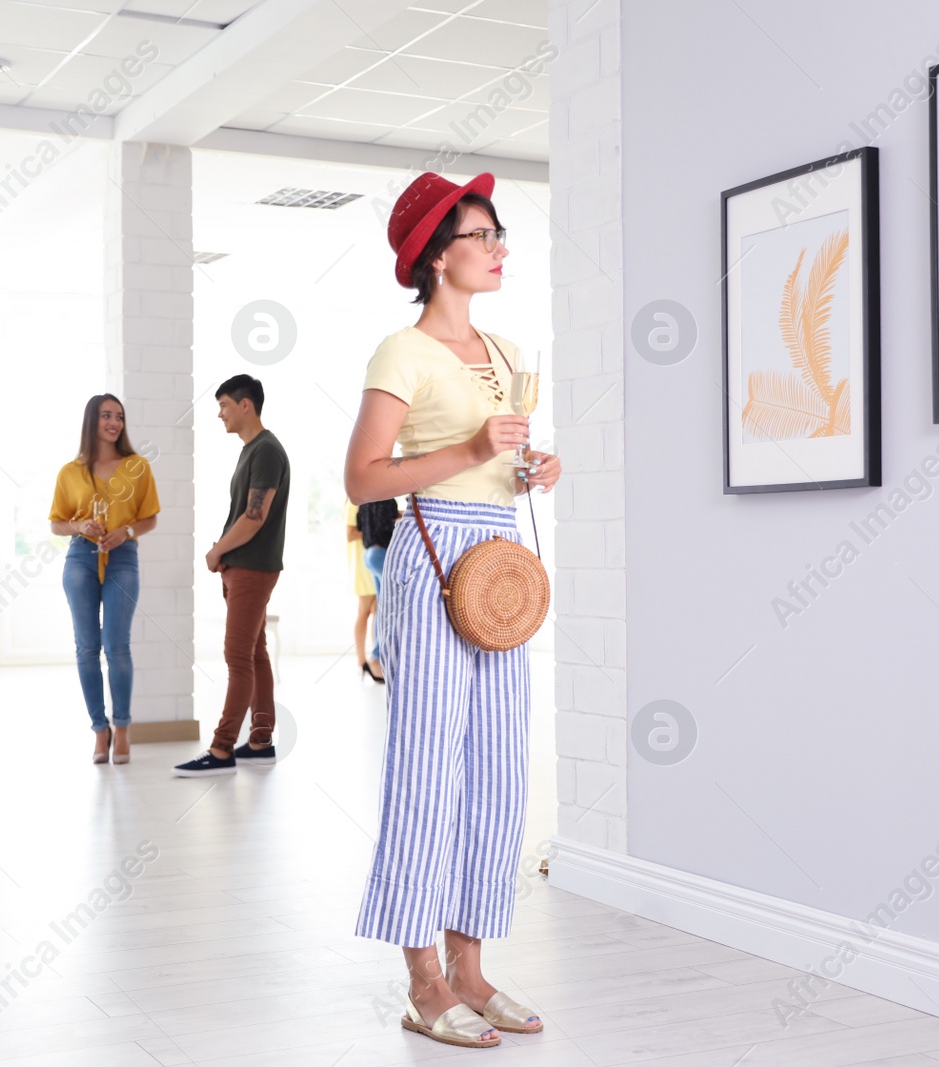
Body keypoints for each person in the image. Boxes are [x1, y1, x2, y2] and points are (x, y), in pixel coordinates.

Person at [345, 172, 561, 1050]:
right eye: (482, 234)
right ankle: (424, 978)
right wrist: (472, 447)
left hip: (499, 566)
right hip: (430, 556)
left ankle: (472, 967)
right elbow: (362, 479)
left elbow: (495, 462)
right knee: (427, 769)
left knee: (500, 771)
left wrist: (529, 467)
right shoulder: (401, 352)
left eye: (500, 233)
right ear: (437, 255)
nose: (499, 246)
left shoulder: (506, 353)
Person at [173, 375, 290, 778]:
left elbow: (254, 517)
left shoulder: (266, 452)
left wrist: (218, 549)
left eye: (223, 405)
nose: (219, 414)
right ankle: (260, 742)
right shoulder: (253, 451)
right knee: (255, 654)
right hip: (244, 567)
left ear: (245, 405)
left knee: (237, 657)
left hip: (252, 568)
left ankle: (221, 750)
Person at [49, 394, 160, 765]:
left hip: (122, 558)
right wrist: (79, 525)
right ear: (91, 421)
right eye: (106, 416)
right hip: (81, 556)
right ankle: (100, 730)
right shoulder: (70, 471)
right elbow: (56, 523)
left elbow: (150, 519)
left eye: (120, 416)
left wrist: (126, 532)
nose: (114, 422)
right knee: (86, 648)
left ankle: (123, 727)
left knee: (117, 646)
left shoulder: (137, 466)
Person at [356, 496, 399, 685]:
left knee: (383, 606)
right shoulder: (387, 499)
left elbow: (360, 525)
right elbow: (386, 530)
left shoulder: (365, 498)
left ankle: (377, 656)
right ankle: (377, 656)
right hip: (382, 553)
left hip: (369, 554)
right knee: (391, 607)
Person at [345, 499, 382, 683]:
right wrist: (373, 530)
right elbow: (350, 534)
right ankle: (361, 661)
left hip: (371, 556)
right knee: (364, 611)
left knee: (377, 611)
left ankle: (375, 658)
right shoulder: (354, 502)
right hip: (361, 561)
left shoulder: (370, 499)